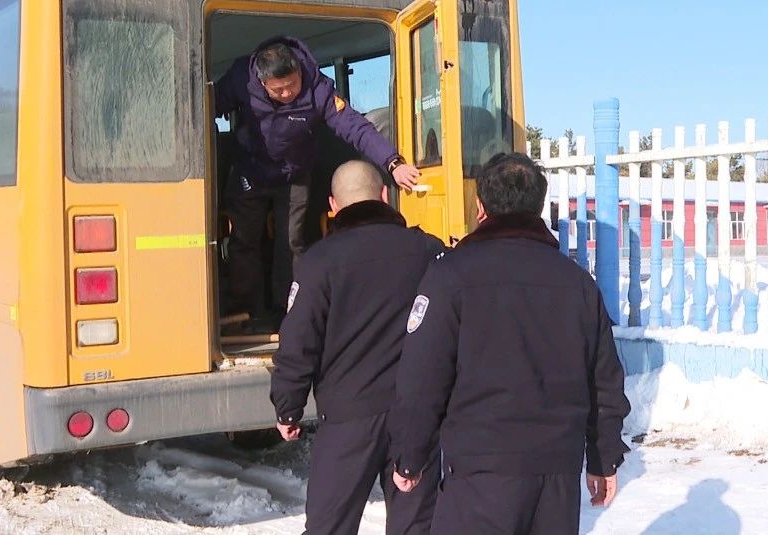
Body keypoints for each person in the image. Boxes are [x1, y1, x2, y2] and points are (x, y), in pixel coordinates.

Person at [389, 152, 631, 534]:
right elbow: (603, 378)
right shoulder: (576, 282)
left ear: (481, 208)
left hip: (481, 472)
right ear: (537, 208)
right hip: (556, 472)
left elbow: (423, 375)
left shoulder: (450, 275)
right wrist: (604, 457)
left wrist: (409, 454)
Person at [270, 160, 445, 535]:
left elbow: (298, 339)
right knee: (416, 527)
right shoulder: (428, 250)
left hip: (347, 421)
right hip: (416, 418)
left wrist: (288, 406)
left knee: (328, 527)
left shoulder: (319, 261)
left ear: (333, 205)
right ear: (385, 195)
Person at [213, 37, 421, 330]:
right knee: (244, 241)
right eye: (278, 89)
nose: (287, 93)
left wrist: (392, 162)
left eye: (292, 85)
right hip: (250, 170)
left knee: (292, 242)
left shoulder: (319, 88)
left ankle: (289, 313)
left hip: (295, 174)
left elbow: (355, 127)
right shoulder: (239, 77)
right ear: (261, 82)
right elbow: (204, 107)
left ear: (299, 71)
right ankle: (246, 312)